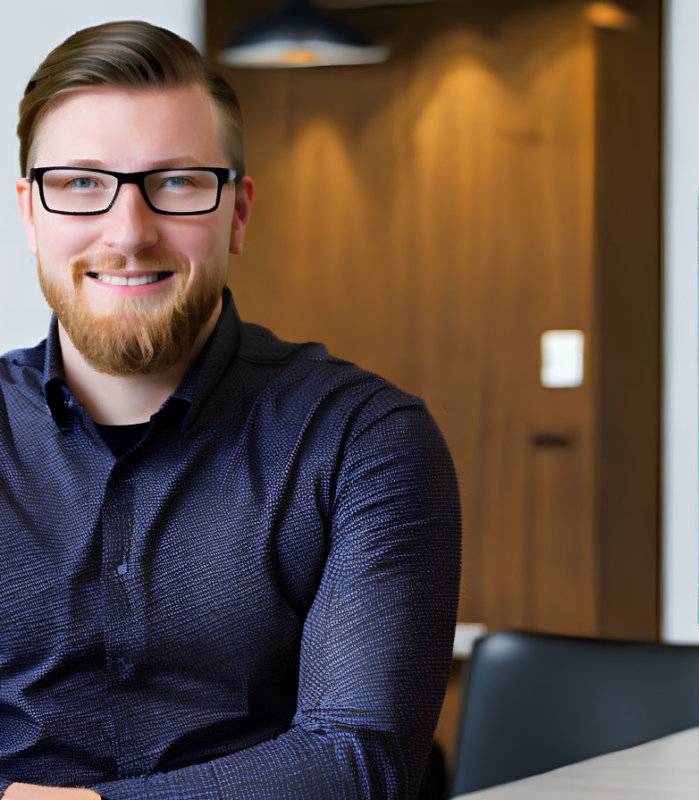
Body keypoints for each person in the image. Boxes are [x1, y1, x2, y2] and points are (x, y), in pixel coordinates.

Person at [0, 19, 461, 800]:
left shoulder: (365, 440)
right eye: (81, 182)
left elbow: (360, 762)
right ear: (30, 211)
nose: (128, 232)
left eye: (176, 182)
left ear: (238, 212)